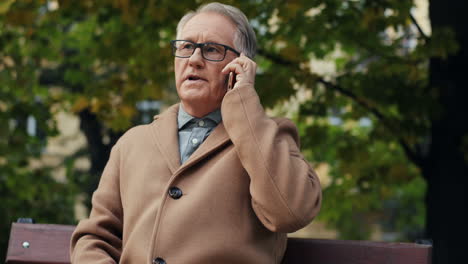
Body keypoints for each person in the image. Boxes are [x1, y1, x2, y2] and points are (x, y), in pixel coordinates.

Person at [70, 2, 322, 264]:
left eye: (212, 49)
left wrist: (244, 101)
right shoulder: (133, 143)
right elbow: (95, 238)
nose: (194, 60)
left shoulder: (270, 137)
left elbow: (290, 212)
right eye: (186, 47)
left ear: (241, 66)